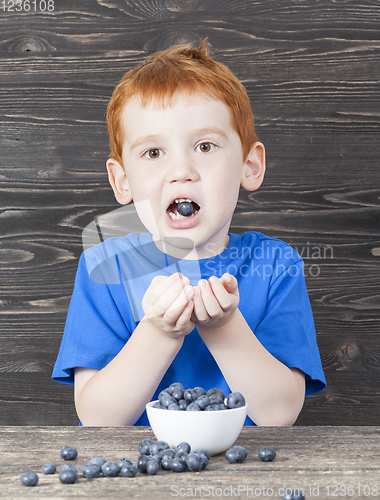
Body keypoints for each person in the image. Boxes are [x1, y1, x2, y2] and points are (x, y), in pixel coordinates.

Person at [52, 40, 326, 427]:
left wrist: (225, 328)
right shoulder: (105, 266)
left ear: (249, 166)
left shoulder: (276, 265)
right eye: (153, 153)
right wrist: (158, 333)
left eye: (204, 145)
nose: (181, 170)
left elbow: (279, 414)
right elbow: (98, 418)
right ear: (122, 180)